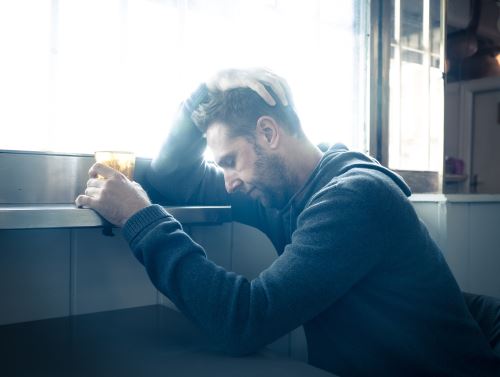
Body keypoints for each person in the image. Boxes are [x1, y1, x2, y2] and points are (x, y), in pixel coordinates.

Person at [76, 68, 500, 377]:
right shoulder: (283, 192)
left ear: (268, 133)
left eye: (229, 162)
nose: (228, 183)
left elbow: (244, 321)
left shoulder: (354, 197)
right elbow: (173, 178)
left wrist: (139, 218)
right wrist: (201, 95)